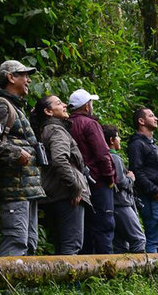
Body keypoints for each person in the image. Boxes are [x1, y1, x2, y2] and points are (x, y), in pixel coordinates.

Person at [0, 60, 46, 256]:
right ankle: (9, 286)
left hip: (27, 189)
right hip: (14, 189)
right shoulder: (2, 106)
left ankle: (25, 286)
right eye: (24, 75)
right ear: (11, 77)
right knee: (16, 240)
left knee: (29, 242)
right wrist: (16, 153)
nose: (28, 80)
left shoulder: (17, 107)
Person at [31, 95, 91, 255]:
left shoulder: (46, 130)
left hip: (54, 194)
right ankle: (70, 280)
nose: (65, 105)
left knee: (62, 245)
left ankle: (61, 280)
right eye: (59, 103)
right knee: (71, 246)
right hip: (66, 195)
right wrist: (76, 187)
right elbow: (60, 159)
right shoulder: (57, 130)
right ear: (48, 111)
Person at [67, 89, 117, 254]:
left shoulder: (66, 124)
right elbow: (103, 154)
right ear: (86, 106)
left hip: (78, 183)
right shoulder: (90, 124)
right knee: (104, 226)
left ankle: (87, 271)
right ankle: (105, 271)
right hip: (97, 182)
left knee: (85, 228)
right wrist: (110, 178)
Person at [127, 107, 158, 253]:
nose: (156, 118)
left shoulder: (151, 144)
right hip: (152, 198)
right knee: (154, 241)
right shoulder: (137, 144)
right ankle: (151, 274)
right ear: (141, 121)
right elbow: (137, 172)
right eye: (151, 115)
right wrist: (154, 191)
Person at [102, 125, 146, 253]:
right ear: (111, 140)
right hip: (121, 203)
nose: (120, 139)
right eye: (118, 137)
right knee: (138, 239)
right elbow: (120, 182)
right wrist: (131, 178)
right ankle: (140, 270)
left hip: (113, 204)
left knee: (120, 245)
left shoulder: (106, 156)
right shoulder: (114, 157)